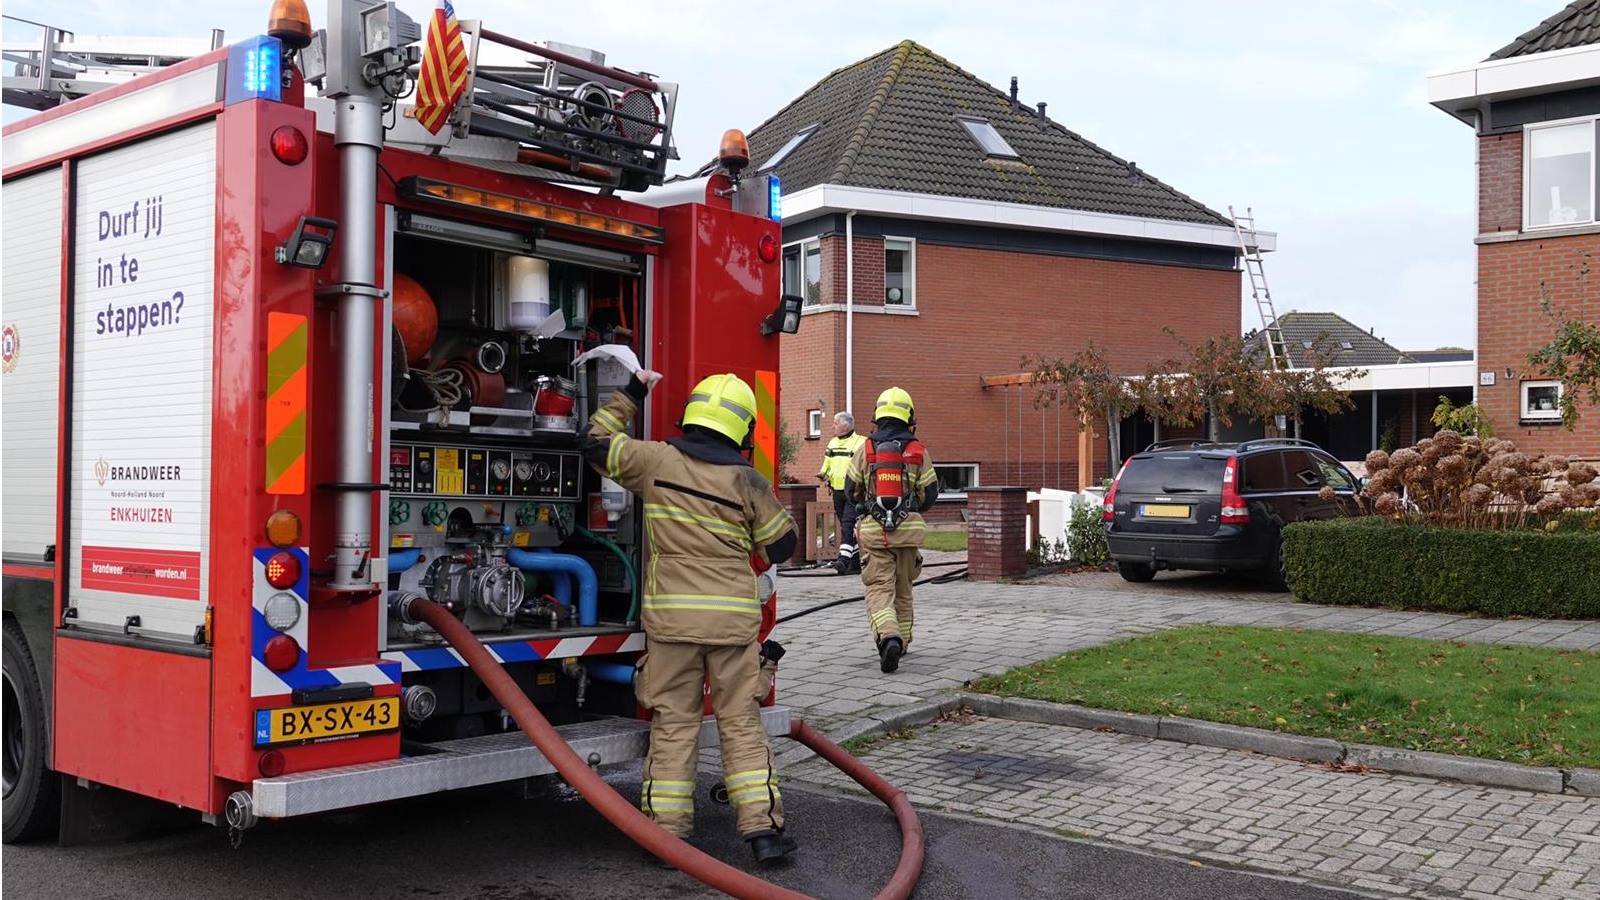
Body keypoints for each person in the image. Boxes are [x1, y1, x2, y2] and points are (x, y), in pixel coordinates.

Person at [580, 368, 800, 866]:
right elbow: (783, 546)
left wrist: (634, 392)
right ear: (741, 430)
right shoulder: (746, 479)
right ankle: (763, 832)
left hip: (672, 626)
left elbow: (594, 443)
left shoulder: (656, 460)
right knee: (741, 724)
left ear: (692, 415)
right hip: (732, 628)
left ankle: (667, 835)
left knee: (674, 726)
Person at [844, 387, 939, 673]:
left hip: (874, 533)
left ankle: (888, 636)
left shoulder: (867, 449)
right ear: (909, 416)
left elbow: (851, 491)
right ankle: (904, 641)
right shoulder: (918, 451)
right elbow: (930, 495)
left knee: (878, 589)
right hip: (909, 534)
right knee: (904, 590)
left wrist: (867, 504)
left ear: (877, 415)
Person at [816, 411, 866, 574]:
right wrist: (823, 473)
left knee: (847, 524)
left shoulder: (861, 443)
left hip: (854, 492)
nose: (833, 426)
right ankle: (855, 563)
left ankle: (843, 560)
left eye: (835, 423)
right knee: (847, 527)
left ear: (845, 426)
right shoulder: (832, 442)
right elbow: (827, 463)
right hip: (837, 491)